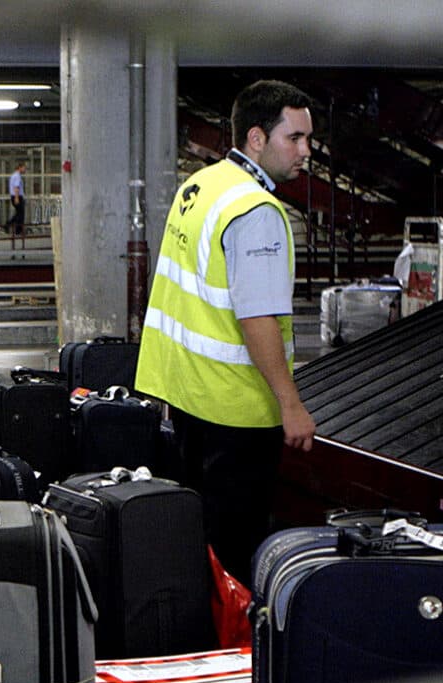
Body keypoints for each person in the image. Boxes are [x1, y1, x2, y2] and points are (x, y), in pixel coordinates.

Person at [135, 79, 318, 583]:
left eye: (308, 140)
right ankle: (238, 652)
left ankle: (198, 639)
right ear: (256, 138)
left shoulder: (203, 185)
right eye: (295, 138)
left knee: (200, 540)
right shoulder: (256, 210)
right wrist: (290, 403)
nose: (306, 152)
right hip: (235, 411)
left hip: (188, 396)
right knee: (237, 552)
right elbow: (256, 317)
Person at [5, 161, 27, 237]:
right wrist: (17, 197)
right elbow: (16, 187)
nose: (25, 170)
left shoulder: (14, 175)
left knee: (19, 213)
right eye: (24, 168)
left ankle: (10, 225)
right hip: (17, 196)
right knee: (20, 213)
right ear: (20, 167)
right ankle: (16, 228)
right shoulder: (17, 176)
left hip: (14, 196)